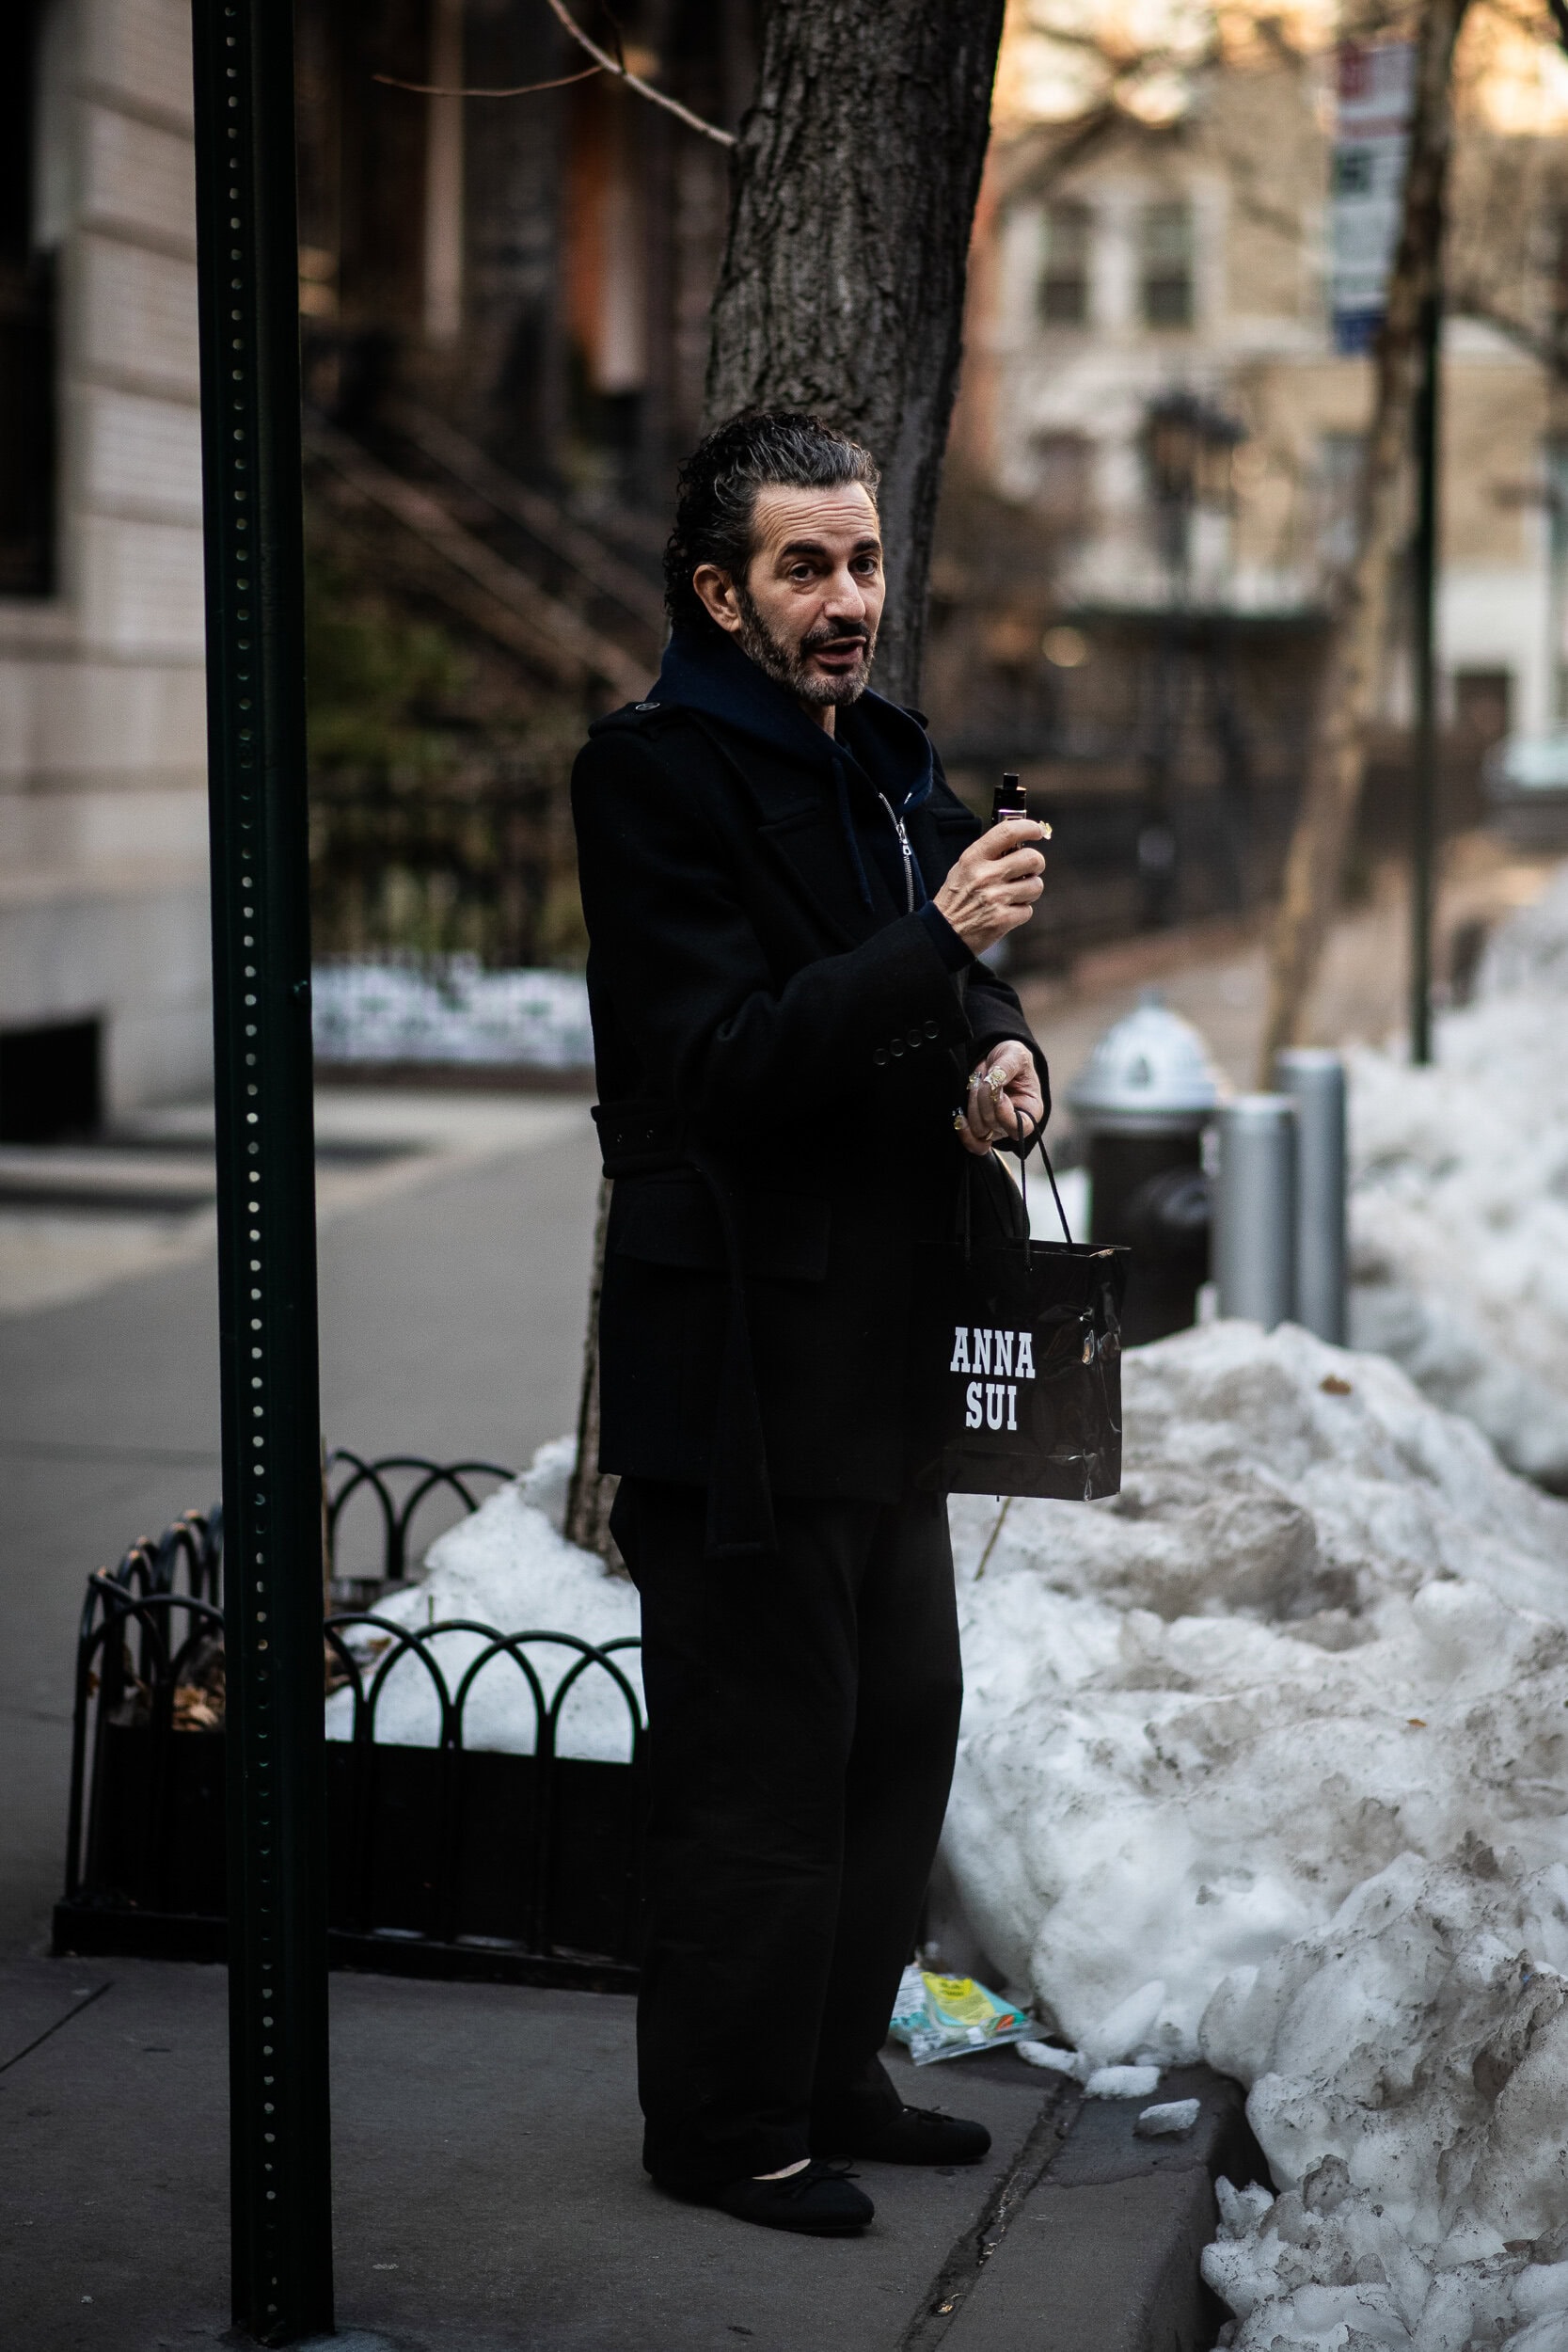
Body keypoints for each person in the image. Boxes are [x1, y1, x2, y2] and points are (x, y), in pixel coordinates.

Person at [571, 410, 1049, 2238]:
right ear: (721, 593)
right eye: (804, 567)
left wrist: (997, 1050)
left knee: (894, 1734)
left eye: (862, 560)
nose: (848, 598)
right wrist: (942, 948)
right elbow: (719, 1067)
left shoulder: (885, 760)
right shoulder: (653, 777)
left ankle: (837, 2074)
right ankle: (723, 2128)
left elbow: (945, 991)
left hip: (886, 1349)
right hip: (743, 1372)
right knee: (760, 1765)